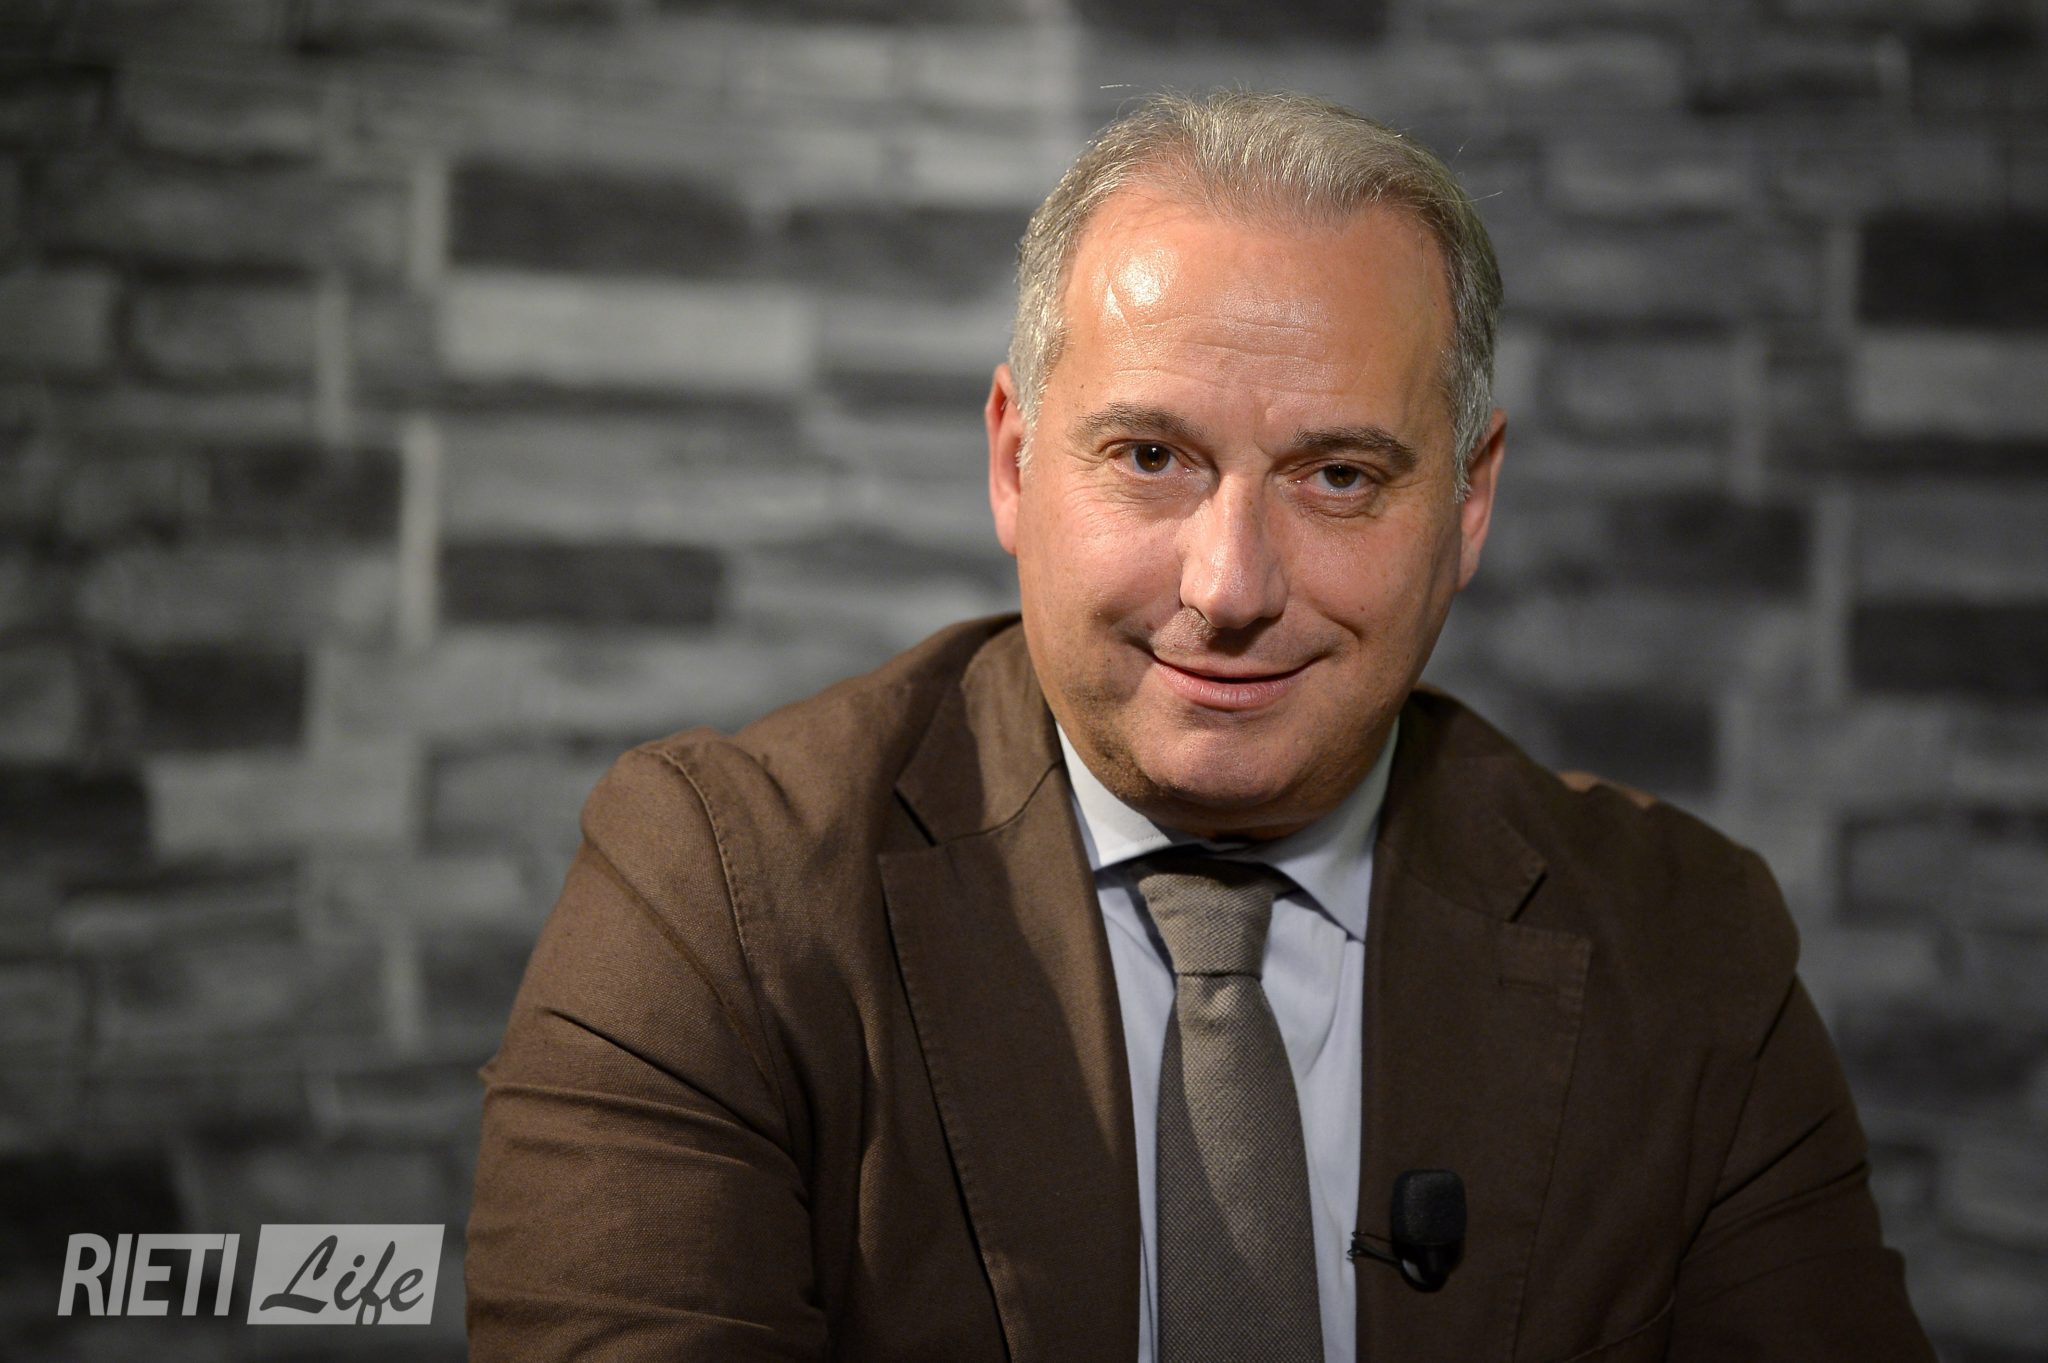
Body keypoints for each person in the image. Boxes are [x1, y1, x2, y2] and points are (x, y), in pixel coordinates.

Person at [465, 91, 1934, 1362]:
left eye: (1340, 477)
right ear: (1014, 461)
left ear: (1469, 502)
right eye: (1151, 456)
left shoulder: (1687, 950)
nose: (1230, 588)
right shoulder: (713, 899)